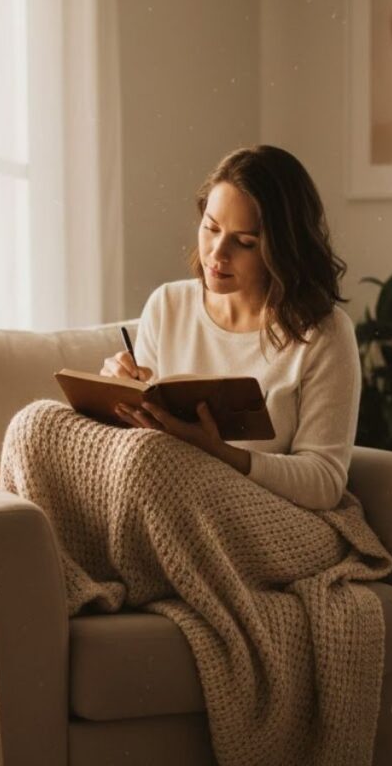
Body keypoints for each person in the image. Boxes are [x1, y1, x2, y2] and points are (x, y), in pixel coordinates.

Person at [99, 145, 361, 512]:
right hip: (165, 498)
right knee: (37, 424)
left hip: (264, 514)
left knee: (147, 466)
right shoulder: (168, 305)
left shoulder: (324, 333)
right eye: (211, 228)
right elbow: (140, 440)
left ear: (282, 249)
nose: (217, 253)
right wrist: (114, 397)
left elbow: (324, 483)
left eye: (244, 242)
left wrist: (219, 454)